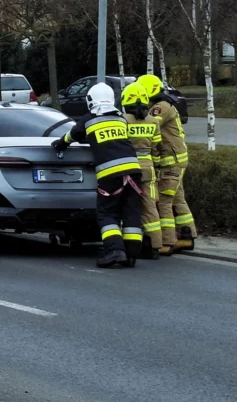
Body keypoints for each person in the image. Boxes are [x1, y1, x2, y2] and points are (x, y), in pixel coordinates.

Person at [51, 82, 143, 268]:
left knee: (107, 213)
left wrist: (60, 144)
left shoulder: (89, 120)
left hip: (110, 175)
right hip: (134, 171)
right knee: (131, 211)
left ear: (91, 100)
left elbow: (73, 134)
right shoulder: (121, 119)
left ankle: (115, 251)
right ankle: (131, 254)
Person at [137, 74, 195, 254]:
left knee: (163, 201)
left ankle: (167, 243)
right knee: (177, 198)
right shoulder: (164, 104)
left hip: (170, 162)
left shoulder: (159, 108)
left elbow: (149, 126)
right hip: (177, 160)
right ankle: (186, 237)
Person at [121, 82, 163, 260]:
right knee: (150, 207)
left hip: (127, 169)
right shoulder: (153, 122)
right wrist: (157, 165)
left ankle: (128, 244)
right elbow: (157, 149)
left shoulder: (122, 120)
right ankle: (155, 245)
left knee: (126, 206)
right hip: (148, 170)